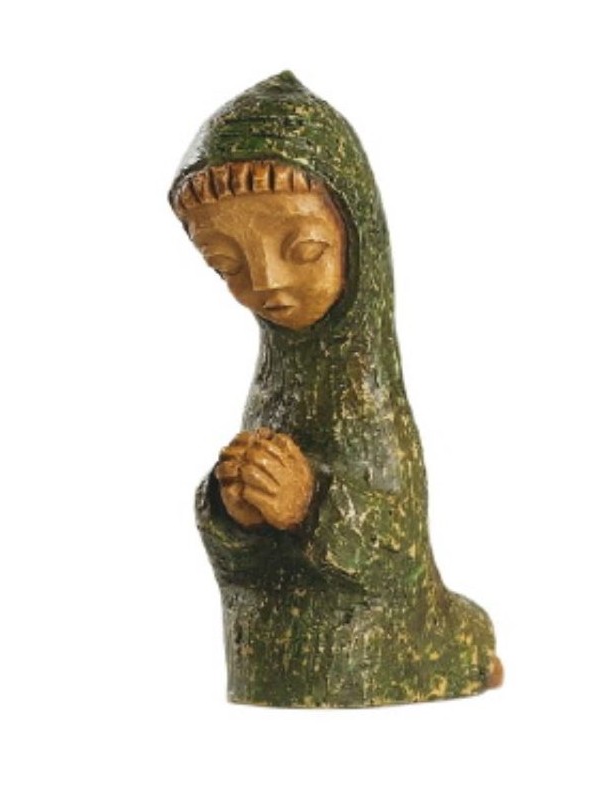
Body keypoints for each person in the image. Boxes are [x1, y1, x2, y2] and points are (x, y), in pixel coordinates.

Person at [169, 72, 503, 706]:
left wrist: (307, 501)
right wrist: (233, 511)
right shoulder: (274, 378)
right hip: (273, 653)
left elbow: (398, 555)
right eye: (227, 264)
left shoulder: (369, 393)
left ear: (358, 239)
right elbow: (247, 563)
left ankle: (465, 647)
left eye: (302, 249)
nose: (265, 283)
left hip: (370, 653)